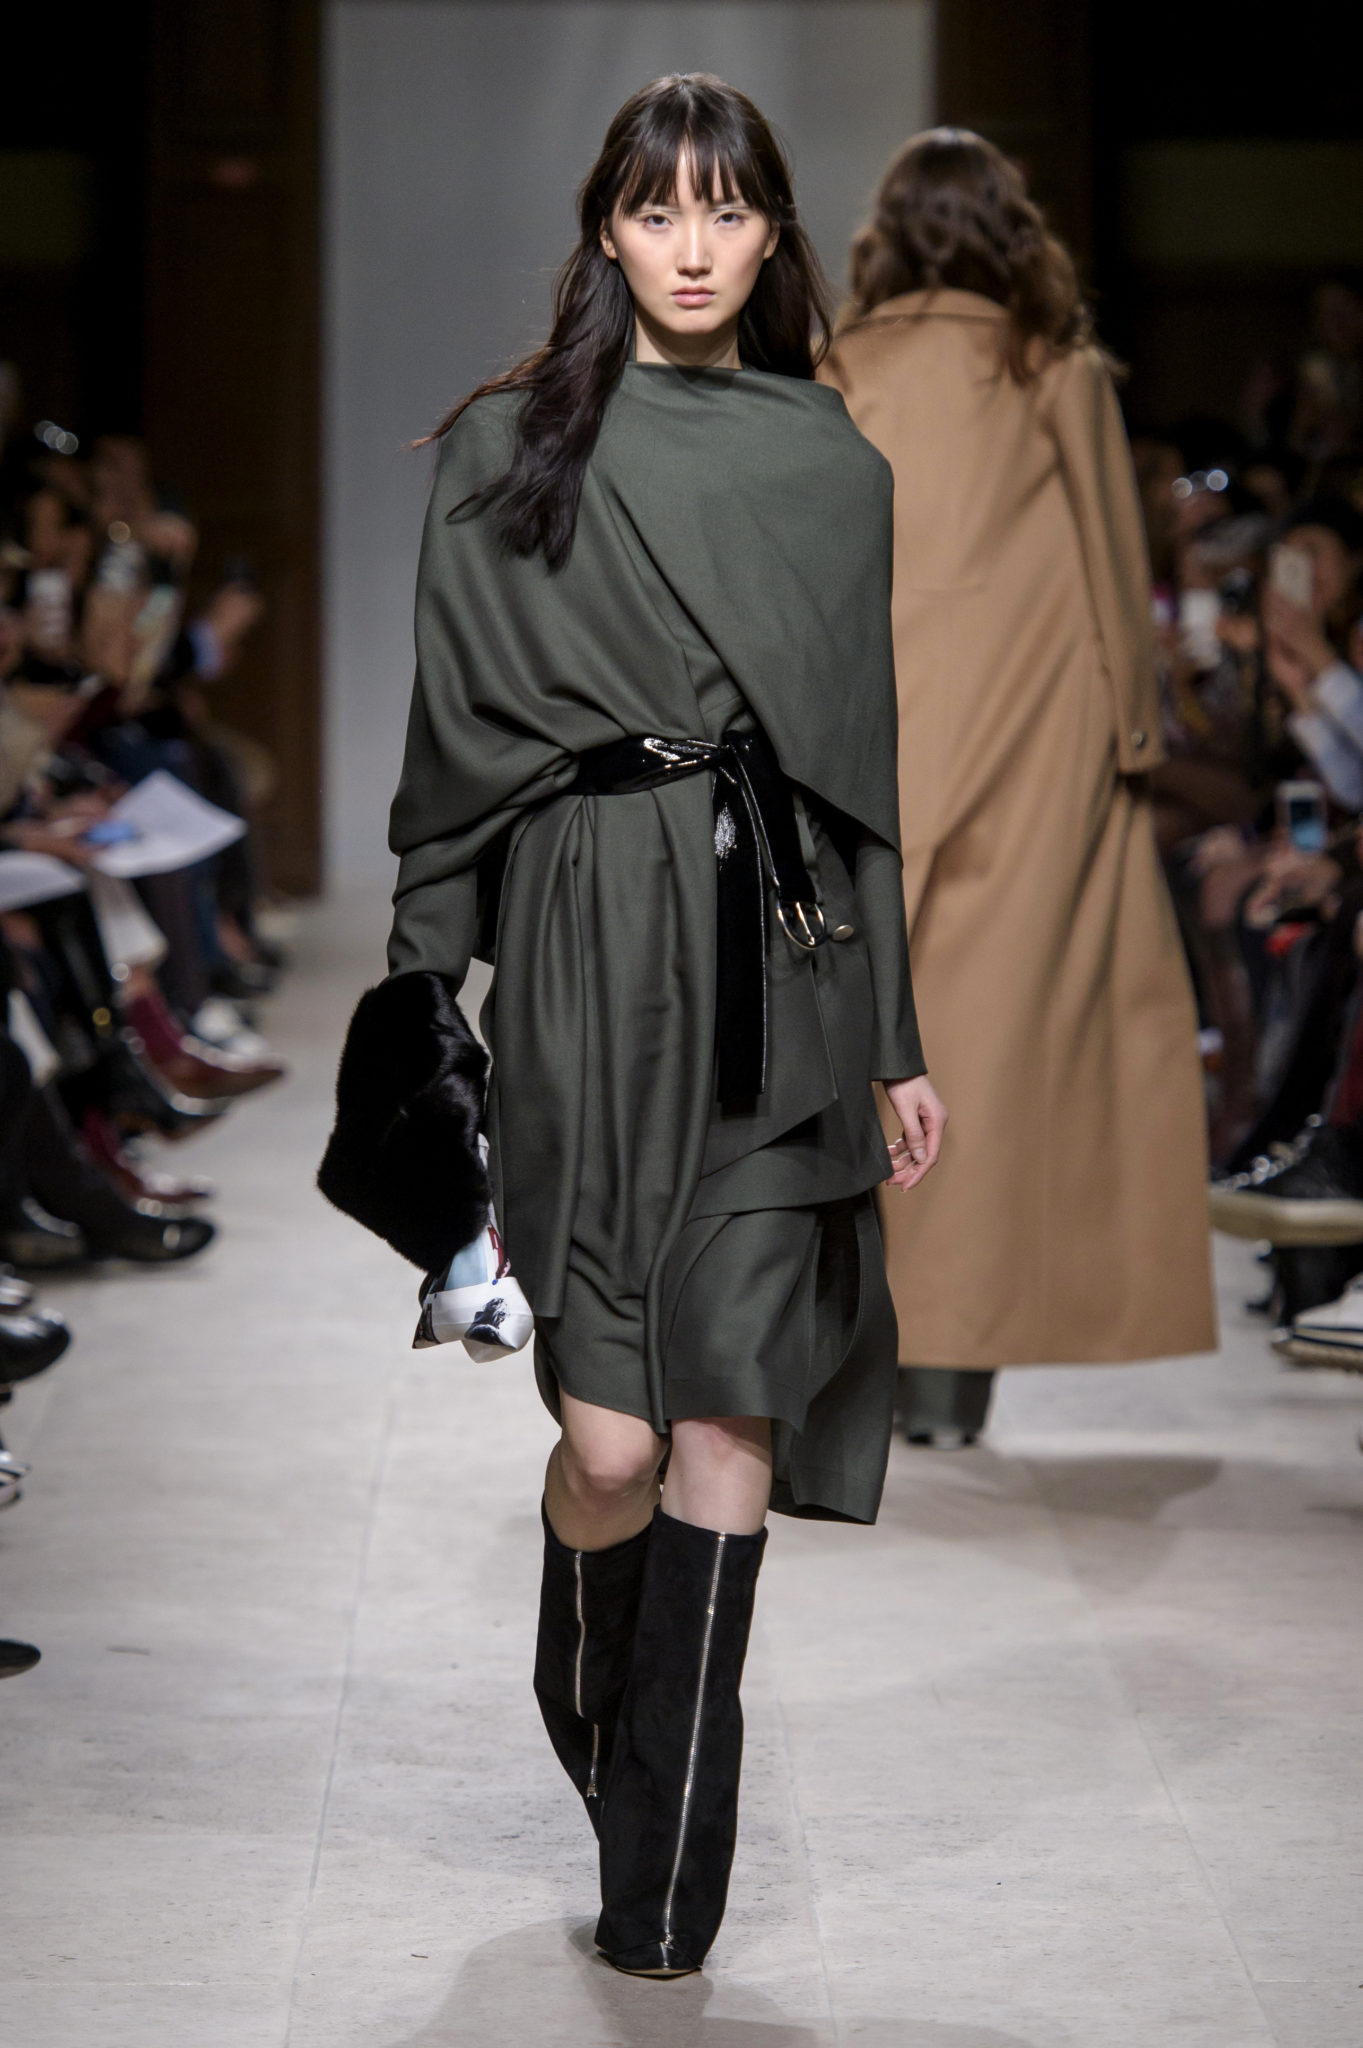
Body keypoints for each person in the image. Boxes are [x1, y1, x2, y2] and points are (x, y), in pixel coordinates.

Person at [371, 77, 945, 1976]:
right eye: (655, 211)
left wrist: (897, 1033)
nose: (692, 249)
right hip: (582, 955)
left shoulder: (832, 466)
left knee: (728, 1406)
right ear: (605, 230)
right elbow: (456, 754)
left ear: (775, 232)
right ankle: (612, 1736)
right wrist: (420, 1004)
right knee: (610, 1445)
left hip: (781, 959)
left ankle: (661, 1895)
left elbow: (860, 775)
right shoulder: (508, 449)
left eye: (726, 211)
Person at [820, 129, 1215, 1443]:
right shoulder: (1054, 366)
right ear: (1008, 225)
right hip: (1033, 744)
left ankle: (863, 1357)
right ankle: (950, 1379)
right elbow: (1113, 559)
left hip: (875, 736)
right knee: (992, 1052)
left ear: (889, 231)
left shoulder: (842, 364)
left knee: (868, 1044)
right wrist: (1136, 747)